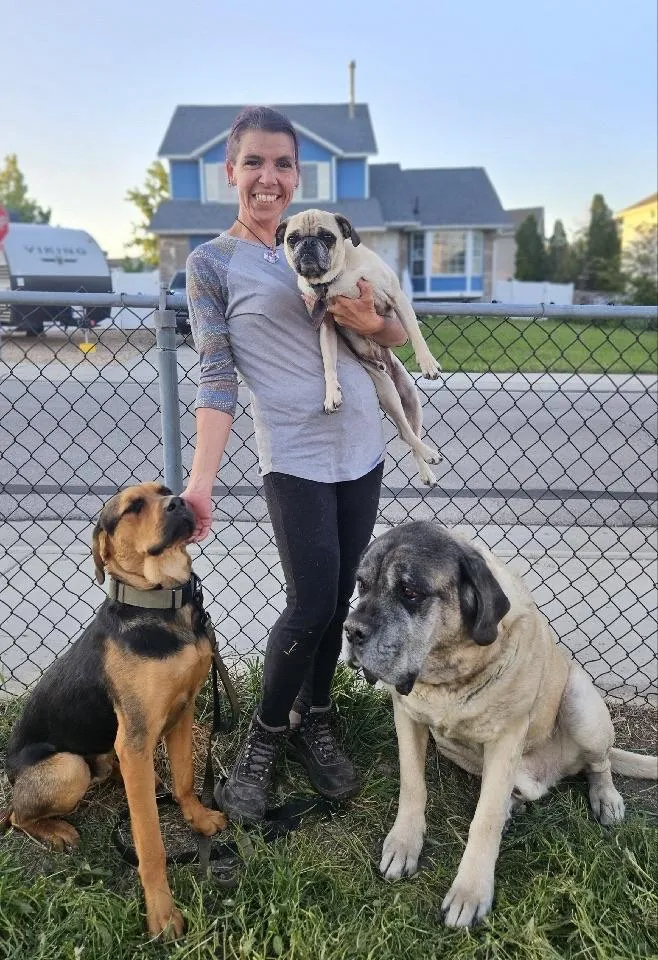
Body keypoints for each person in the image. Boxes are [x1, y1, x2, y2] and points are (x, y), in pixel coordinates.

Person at [182, 106, 407, 824]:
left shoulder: (328, 239)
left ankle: (317, 715)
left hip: (361, 450)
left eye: (282, 165)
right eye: (254, 163)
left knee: (339, 598)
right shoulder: (213, 263)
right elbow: (217, 376)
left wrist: (376, 324)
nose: (268, 178)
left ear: (296, 175)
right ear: (231, 172)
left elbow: (395, 327)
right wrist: (200, 480)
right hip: (295, 460)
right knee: (309, 603)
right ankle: (264, 737)